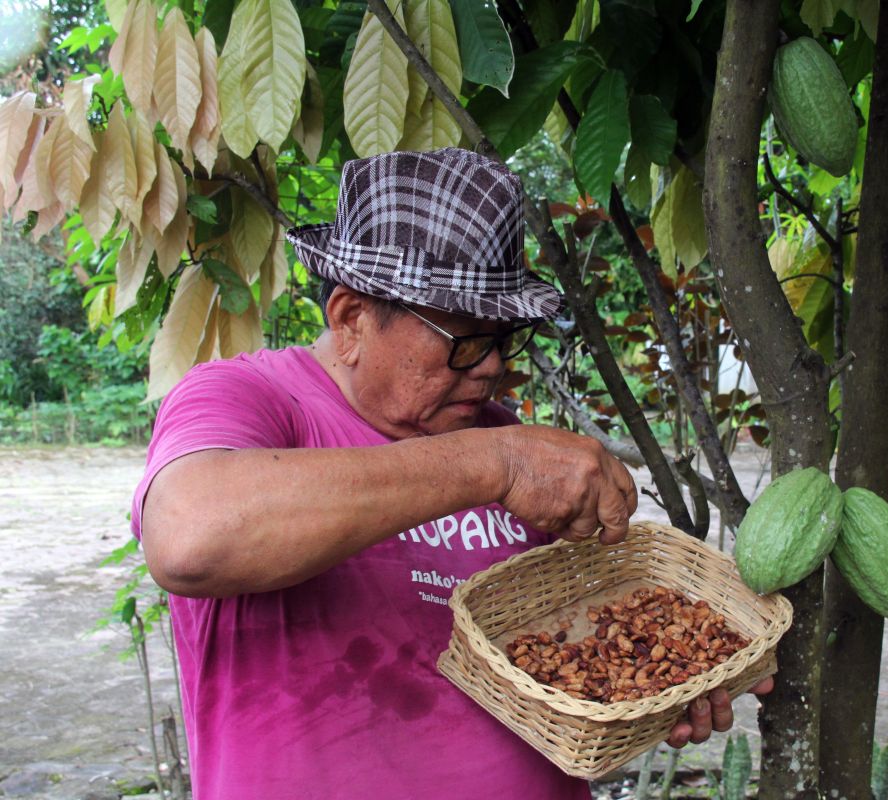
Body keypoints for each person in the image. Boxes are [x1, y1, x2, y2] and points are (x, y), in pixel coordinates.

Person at [133, 148, 768, 799]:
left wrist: (649, 692)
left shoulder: (495, 436)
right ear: (351, 320)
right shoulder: (247, 399)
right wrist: (494, 463)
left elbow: (565, 674)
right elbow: (189, 536)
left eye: (504, 340)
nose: (492, 368)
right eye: (466, 341)